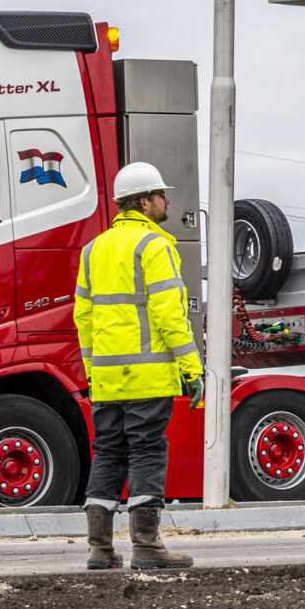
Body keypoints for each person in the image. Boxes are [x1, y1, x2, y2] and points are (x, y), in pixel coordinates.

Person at [73, 162, 203, 570]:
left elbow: (84, 319)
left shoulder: (93, 249)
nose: (167, 200)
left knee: (108, 453)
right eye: (161, 194)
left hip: (108, 380)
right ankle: (146, 546)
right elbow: (170, 317)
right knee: (147, 452)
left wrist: (94, 372)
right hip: (147, 378)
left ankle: (99, 548)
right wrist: (192, 369)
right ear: (144, 202)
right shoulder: (154, 247)